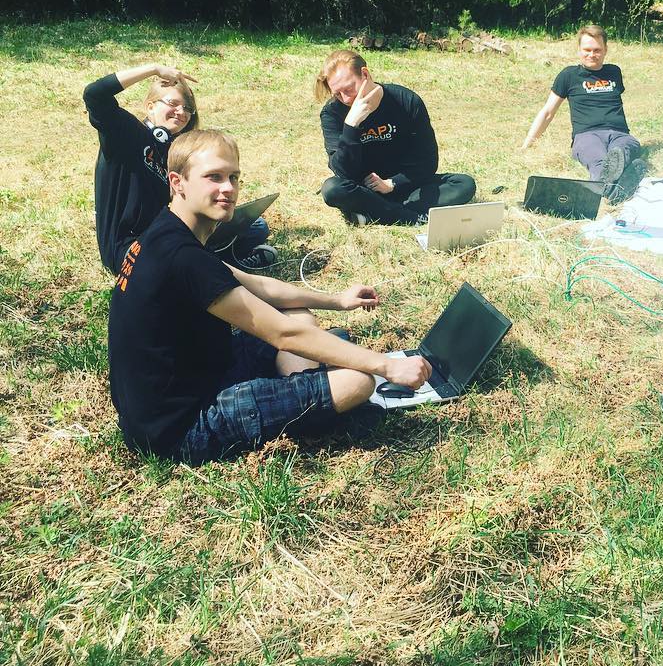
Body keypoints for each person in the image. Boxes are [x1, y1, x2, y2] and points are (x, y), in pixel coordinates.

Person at [107, 129, 432, 465]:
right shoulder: (183, 257)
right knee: (358, 382)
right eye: (213, 177)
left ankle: (302, 397)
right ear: (178, 182)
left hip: (194, 376)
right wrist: (388, 367)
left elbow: (257, 286)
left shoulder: (166, 232)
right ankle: (311, 408)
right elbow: (283, 334)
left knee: (300, 314)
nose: (228, 188)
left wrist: (337, 300)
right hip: (182, 428)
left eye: (234, 177)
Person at [84, 63, 277, 275]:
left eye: (187, 108)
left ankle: (217, 261)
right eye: (173, 103)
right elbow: (94, 94)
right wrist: (153, 69)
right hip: (128, 249)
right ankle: (228, 268)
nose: (181, 112)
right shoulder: (125, 134)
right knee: (184, 258)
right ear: (150, 107)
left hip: (166, 233)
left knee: (256, 227)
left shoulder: (172, 151)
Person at [316, 50, 476, 226]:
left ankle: (376, 214)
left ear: (365, 74)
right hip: (364, 190)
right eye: (338, 94)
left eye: (348, 89)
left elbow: (428, 161)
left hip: (406, 186)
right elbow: (343, 172)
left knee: (464, 184)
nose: (346, 99)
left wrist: (393, 183)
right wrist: (351, 125)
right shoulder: (332, 113)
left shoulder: (406, 101)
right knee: (332, 189)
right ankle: (409, 216)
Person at [521, 25, 646, 204]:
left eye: (597, 50)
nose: (592, 54)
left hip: (619, 134)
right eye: (587, 50)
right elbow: (548, 112)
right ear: (579, 50)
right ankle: (618, 187)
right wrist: (528, 143)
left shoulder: (614, 72)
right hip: (587, 135)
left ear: (605, 50)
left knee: (624, 148)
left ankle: (613, 187)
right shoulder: (569, 75)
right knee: (599, 162)